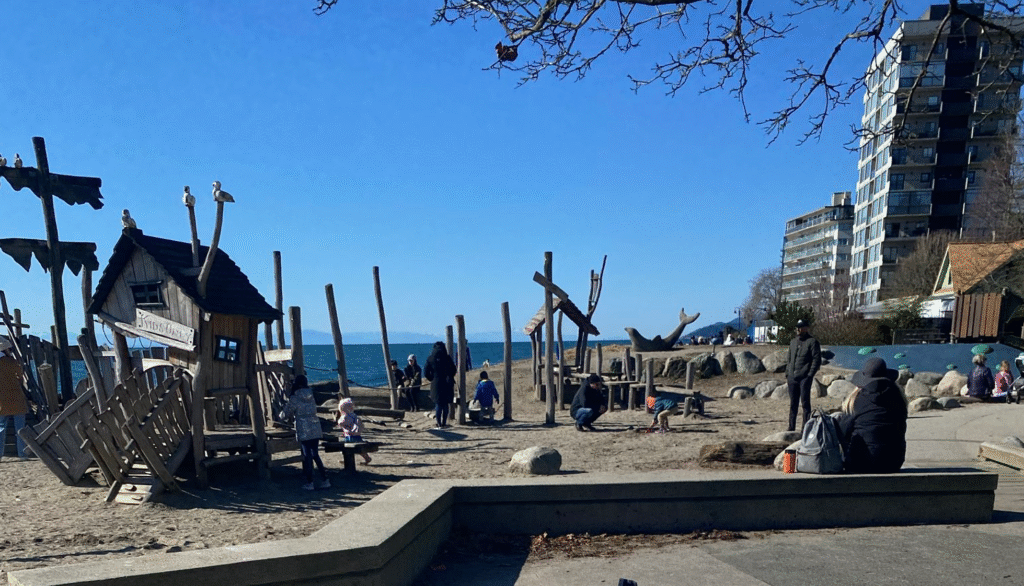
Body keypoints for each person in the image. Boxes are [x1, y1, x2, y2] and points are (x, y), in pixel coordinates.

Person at [836, 357, 908, 474]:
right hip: (893, 463)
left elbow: (842, 432)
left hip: (861, 463)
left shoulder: (856, 400)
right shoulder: (899, 399)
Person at [280, 375, 330, 490]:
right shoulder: (310, 395)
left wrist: (281, 415)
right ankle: (325, 479)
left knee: (307, 455)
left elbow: (286, 413)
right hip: (315, 424)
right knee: (315, 454)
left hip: (303, 426)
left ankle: (309, 482)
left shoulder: (295, 397)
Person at [785, 319, 821, 432]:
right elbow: (789, 359)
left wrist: (810, 375)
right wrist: (788, 373)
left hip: (804, 377)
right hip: (792, 377)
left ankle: (805, 428)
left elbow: (816, 360)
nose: (798, 330)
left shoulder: (812, 342)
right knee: (793, 404)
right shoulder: (793, 342)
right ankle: (791, 427)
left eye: (801, 327)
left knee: (805, 403)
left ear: (806, 328)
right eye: (798, 327)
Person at [0, 337, 29, 460]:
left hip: (2, 399)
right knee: (20, 429)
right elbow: (20, 376)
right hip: (16, 397)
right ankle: (22, 453)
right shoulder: (12, 361)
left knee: (1, 428)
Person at [423, 341, 456, 429]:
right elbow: (454, 369)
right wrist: (449, 376)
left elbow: (426, 372)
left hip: (436, 383)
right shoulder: (447, 358)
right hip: (447, 382)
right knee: (445, 404)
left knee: (438, 404)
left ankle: (439, 423)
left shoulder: (431, 358)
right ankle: (444, 422)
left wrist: (432, 379)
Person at [335, 398, 372, 465]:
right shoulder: (352, 416)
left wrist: (340, 421)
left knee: (351, 448)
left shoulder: (347, 416)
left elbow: (342, 423)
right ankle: (349, 459)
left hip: (352, 436)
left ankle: (365, 458)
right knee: (349, 448)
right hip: (351, 435)